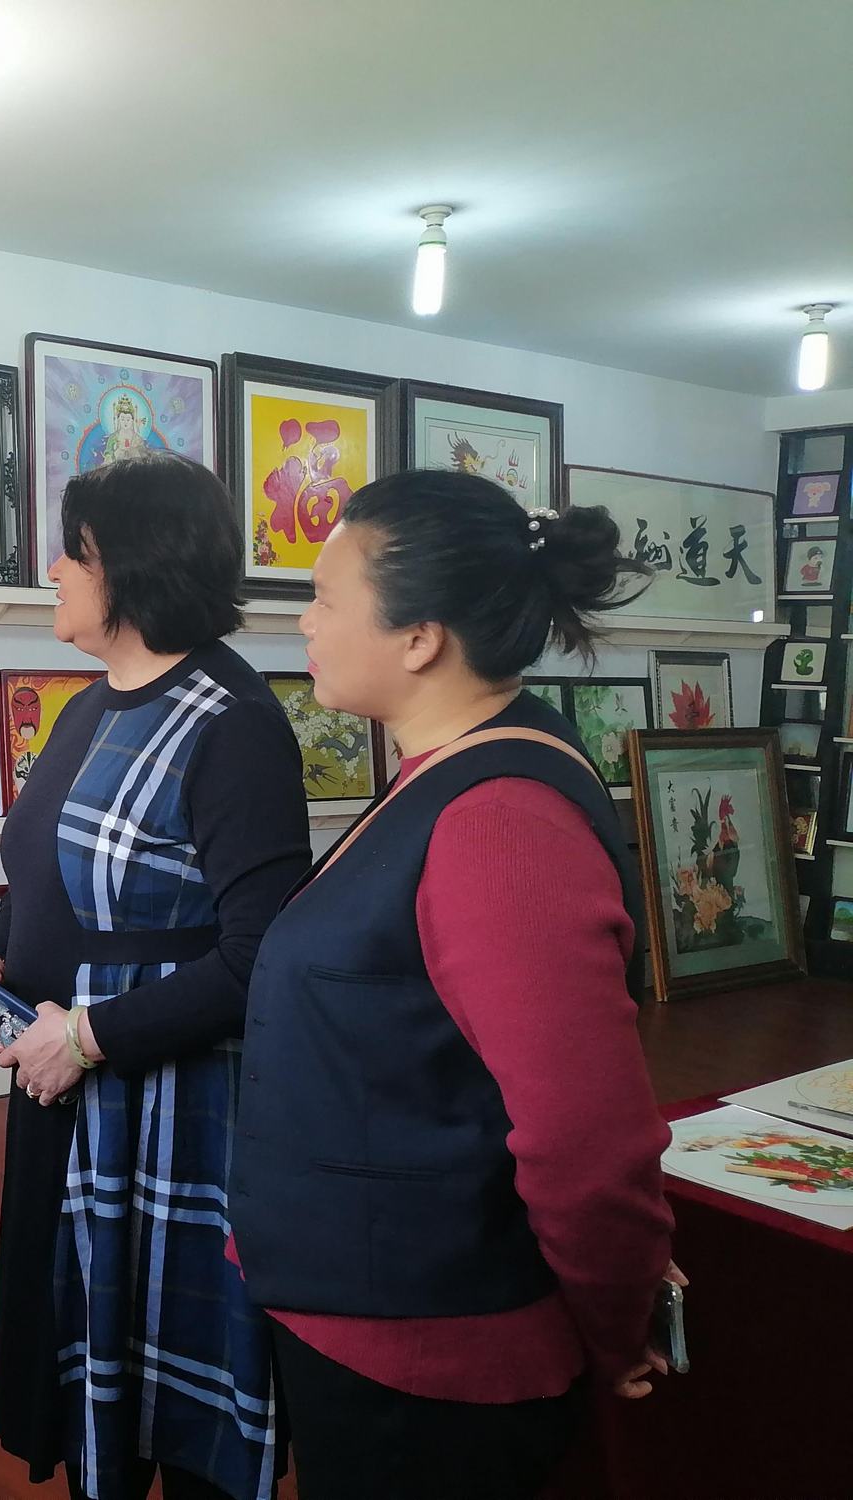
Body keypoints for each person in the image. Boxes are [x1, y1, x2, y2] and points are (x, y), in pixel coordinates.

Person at [230, 472, 679, 1500]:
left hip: (430, 1364)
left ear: (420, 637)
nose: (304, 621)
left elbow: (585, 1141)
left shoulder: (498, 822)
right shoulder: (440, 771)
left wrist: (617, 1324)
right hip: (364, 1321)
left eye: (325, 597)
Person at [0, 452, 311, 1500]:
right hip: (58, 1097)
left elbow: (259, 954)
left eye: (76, 551)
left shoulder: (232, 724)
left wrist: (86, 1036)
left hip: (166, 1117)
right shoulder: (87, 706)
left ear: (135, 565)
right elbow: (38, 871)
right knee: (84, 1376)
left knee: (173, 1405)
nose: (54, 571)